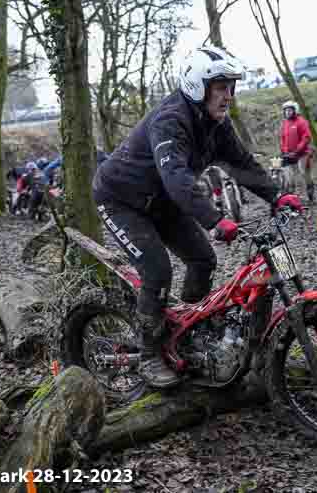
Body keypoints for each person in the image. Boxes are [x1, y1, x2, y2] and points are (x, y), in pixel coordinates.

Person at [92, 45, 303, 388]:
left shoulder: (216, 123)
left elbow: (241, 163)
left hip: (161, 201)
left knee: (203, 259)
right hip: (121, 200)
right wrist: (214, 220)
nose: (229, 96)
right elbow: (176, 176)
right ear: (197, 86)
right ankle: (149, 354)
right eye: (222, 87)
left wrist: (276, 195)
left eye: (232, 87)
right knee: (157, 269)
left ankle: (186, 335)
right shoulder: (170, 121)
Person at [279, 100, 316, 203]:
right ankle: (292, 199)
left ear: (295, 111)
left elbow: (306, 137)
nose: (287, 112)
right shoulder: (285, 123)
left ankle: (310, 193)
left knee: (304, 173)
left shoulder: (301, 122)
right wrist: (284, 150)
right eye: (286, 111)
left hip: (302, 153)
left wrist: (297, 150)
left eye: (290, 110)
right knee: (288, 178)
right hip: (288, 154)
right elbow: (282, 138)